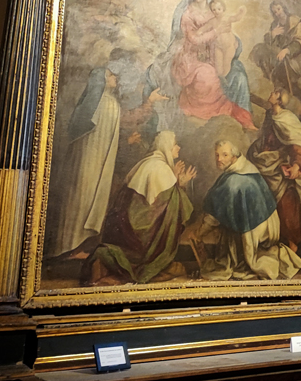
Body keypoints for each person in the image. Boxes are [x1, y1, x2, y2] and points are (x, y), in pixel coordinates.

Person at [91, 131, 196, 284]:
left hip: (123, 230)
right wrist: (181, 184)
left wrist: (175, 182)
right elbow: (169, 210)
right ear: (166, 147)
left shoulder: (146, 163)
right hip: (139, 235)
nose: (178, 148)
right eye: (175, 145)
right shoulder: (161, 168)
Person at [200, 140, 301, 280]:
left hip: (257, 230)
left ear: (233, 157)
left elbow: (214, 216)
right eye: (217, 155)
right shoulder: (246, 167)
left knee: (236, 258)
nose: (219, 159)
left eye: (224, 155)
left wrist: (199, 233)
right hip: (267, 225)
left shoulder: (233, 181)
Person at [48, 65, 122, 259]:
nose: (115, 77)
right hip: (92, 164)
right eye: (110, 74)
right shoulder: (107, 103)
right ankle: (73, 248)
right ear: (102, 81)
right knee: (83, 199)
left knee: (79, 200)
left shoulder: (100, 103)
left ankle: (70, 246)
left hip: (86, 162)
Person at [169, 0, 255, 128]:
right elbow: (194, 39)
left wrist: (233, 40)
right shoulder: (188, 14)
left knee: (239, 74)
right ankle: (210, 115)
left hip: (215, 52)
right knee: (207, 76)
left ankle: (244, 117)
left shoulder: (214, 9)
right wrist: (216, 32)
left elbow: (228, 28)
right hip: (193, 55)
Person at [246, 88, 301, 252]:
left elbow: (298, 145)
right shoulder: (270, 114)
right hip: (262, 161)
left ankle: (292, 245)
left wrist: (297, 164)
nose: (271, 93)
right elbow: (259, 101)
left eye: (274, 93)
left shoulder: (287, 118)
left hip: (277, 165)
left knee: (286, 203)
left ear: (279, 100)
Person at [250, 0, 301, 104]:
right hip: (280, 55)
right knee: (260, 49)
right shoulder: (275, 25)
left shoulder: (296, 23)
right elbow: (271, 44)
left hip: (296, 57)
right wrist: (272, 34)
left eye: (278, 9)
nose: (277, 13)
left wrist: (287, 50)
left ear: (283, 8)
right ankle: (277, 92)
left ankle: (295, 99)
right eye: (274, 12)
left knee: (282, 68)